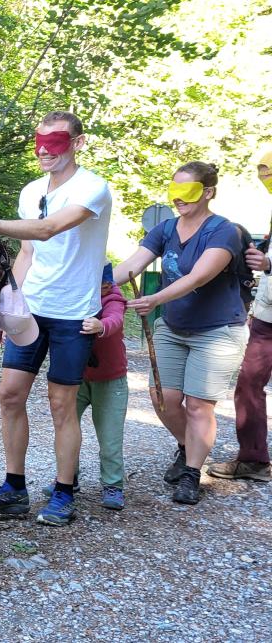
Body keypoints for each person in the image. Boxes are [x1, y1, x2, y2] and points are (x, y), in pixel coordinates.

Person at [0, 110, 112, 526]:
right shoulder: (31, 190)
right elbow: (29, 252)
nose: (44, 150)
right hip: (32, 308)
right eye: (39, 140)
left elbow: (48, 229)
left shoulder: (93, 188)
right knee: (9, 395)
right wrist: (8, 306)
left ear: (78, 143)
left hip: (73, 313)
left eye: (56, 141)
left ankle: (64, 491)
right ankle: (14, 488)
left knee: (60, 403)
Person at [114, 161, 249, 504]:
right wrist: (89, 282)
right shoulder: (166, 229)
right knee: (163, 398)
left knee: (198, 406)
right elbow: (131, 265)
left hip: (217, 332)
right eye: (173, 190)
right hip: (173, 327)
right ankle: (189, 448)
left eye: (186, 191)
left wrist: (155, 298)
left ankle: (191, 473)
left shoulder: (223, 231)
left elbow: (199, 276)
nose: (178, 198)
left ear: (208, 192)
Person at [41, 265, 128, 509]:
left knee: (110, 437)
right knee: (66, 427)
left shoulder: (112, 298)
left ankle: (113, 484)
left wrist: (102, 326)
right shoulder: (72, 298)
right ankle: (68, 477)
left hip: (111, 381)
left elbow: (116, 318)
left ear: (106, 285)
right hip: (75, 378)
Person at [209, 149, 272, 482]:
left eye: (268, 170)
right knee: (248, 385)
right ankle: (254, 460)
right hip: (266, 318)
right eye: (261, 171)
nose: (264, 177)